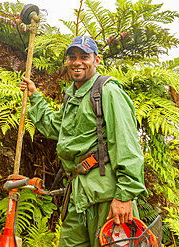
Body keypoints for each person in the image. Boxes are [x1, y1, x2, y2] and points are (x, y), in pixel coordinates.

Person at [20, 36, 148, 247]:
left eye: (84, 57)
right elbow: (55, 127)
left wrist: (125, 196)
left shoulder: (107, 91)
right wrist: (34, 96)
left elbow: (126, 143)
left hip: (107, 197)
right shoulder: (72, 95)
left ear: (96, 61)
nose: (77, 62)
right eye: (72, 57)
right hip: (78, 197)